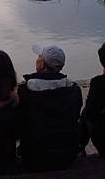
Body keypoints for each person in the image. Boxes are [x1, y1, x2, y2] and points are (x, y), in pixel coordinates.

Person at [17, 44, 83, 172]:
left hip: (34, 158)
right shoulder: (74, 90)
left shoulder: (25, 91)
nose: (37, 59)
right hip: (67, 156)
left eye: (39, 57)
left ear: (42, 64)